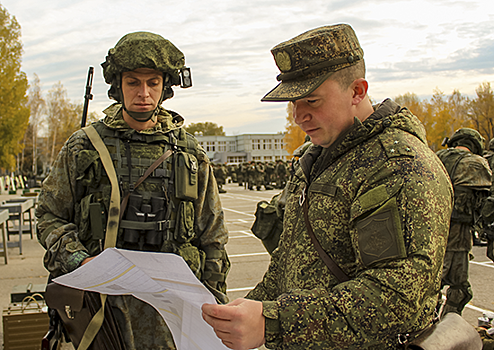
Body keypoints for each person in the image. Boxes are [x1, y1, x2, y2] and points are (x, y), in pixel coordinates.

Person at [202, 23, 453, 349]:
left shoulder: (398, 167)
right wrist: (250, 308)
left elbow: (395, 298)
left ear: (357, 92)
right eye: (294, 103)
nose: (298, 116)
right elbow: (288, 262)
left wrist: (274, 321)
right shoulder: (319, 160)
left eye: (312, 101)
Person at [36, 31, 230, 349]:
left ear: (165, 87)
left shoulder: (189, 151)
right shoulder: (85, 146)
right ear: (117, 86)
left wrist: (213, 306)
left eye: (152, 83)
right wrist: (80, 261)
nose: (143, 93)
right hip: (103, 312)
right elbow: (48, 215)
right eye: (133, 82)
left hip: (172, 315)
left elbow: (212, 237)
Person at [436, 128, 491, 316]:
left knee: (428, 285)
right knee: (458, 290)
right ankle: (443, 329)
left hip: (428, 230)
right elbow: (484, 204)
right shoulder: (476, 164)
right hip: (457, 236)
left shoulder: (436, 157)